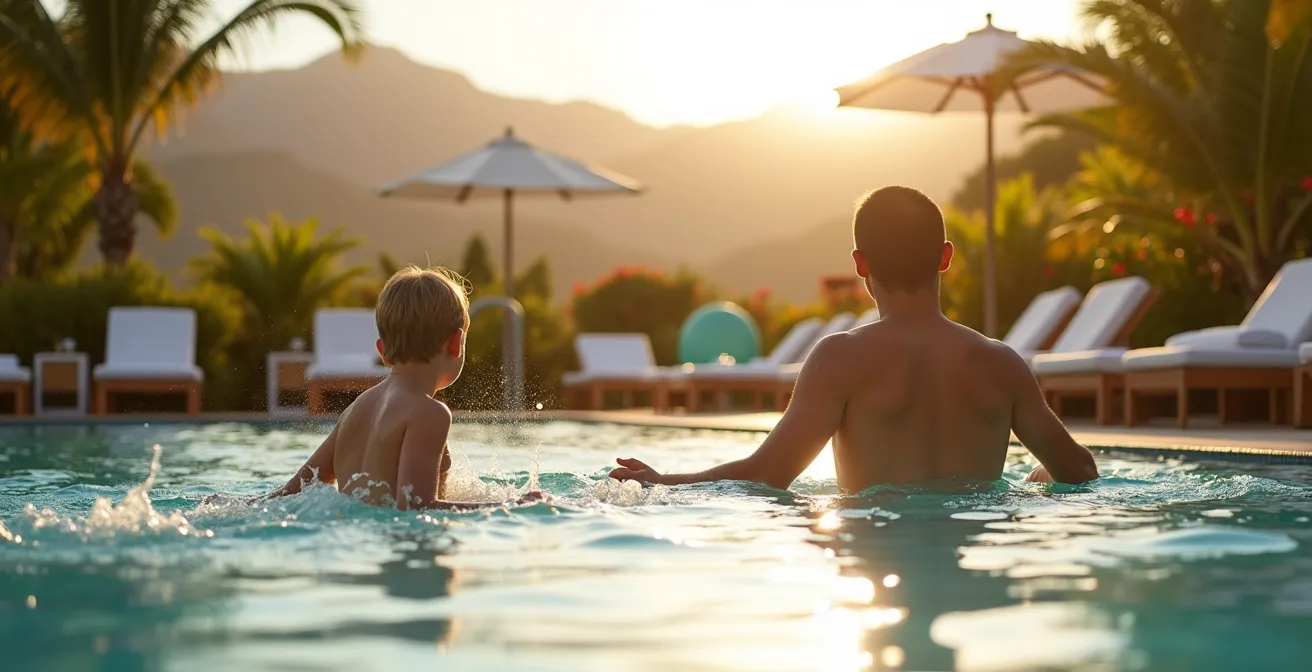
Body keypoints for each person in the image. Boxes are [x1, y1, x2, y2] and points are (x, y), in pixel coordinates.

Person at [610, 186, 1098, 491]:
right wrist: (1038, 477)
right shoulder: (1002, 364)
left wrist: (663, 481)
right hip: (974, 564)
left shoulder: (840, 358)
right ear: (945, 257)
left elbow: (767, 474)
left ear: (861, 264)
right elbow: (1079, 472)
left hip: (878, 553)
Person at [268, 266, 541, 509]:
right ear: (456, 344)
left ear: (382, 351)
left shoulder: (356, 409)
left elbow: (293, 492)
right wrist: (510, 505)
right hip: (400, 542)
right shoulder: (430, 413)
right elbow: (415, 506)